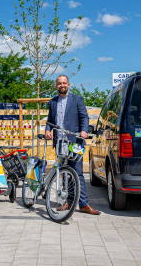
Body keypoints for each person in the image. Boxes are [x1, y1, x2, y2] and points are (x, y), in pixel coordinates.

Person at [45, 75, 101, 215]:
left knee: (77, 173)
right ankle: (67, 202)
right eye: (59, 83)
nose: (62, 85)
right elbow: (50, 120)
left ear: (68, 85)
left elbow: (84, 117)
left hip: (75, 142)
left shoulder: (77, 99)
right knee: (64, 173)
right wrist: (47, 130)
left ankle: (83, 204)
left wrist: (83, 130)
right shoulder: (52, 102)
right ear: (56, 85)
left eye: (64, 83)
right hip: (60, 142)